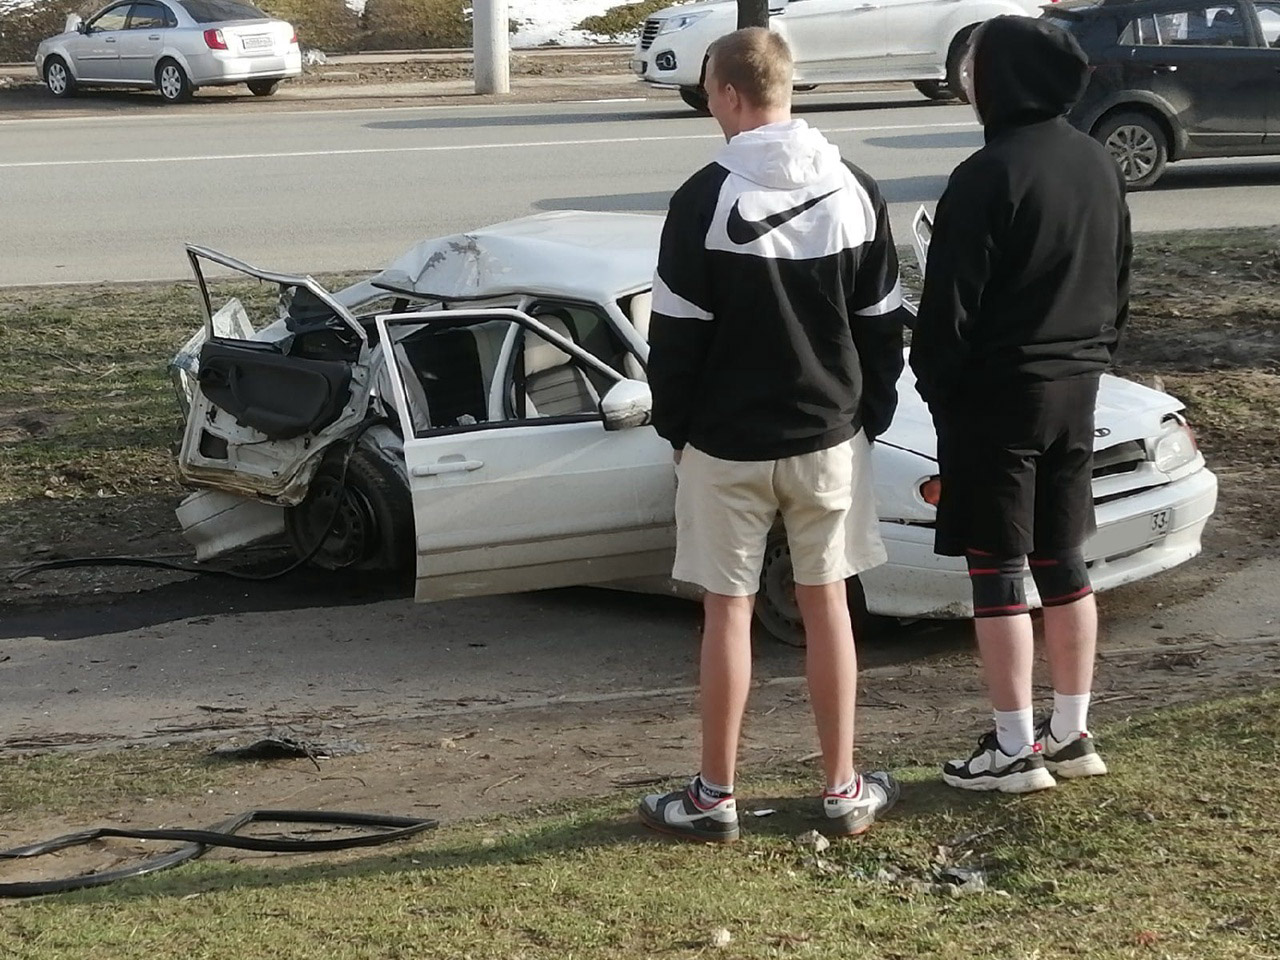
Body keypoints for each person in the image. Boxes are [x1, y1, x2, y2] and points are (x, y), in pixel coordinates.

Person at [637, 27, 909, 842]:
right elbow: (882, 325)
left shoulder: (702, 197)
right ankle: (841, 787)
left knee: (729, 613)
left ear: (725, 94)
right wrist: (869, 415)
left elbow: (674, 340)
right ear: (788, 86)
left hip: (725, 443)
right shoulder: (856, 187)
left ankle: (714, 795)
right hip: (828, 435)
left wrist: (678, 430)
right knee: (828, 606)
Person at [910, 16, 1132, 793]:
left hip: (997, 395)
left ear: (999, 79)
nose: (966, 79)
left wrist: (937, 388)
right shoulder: (1098, 163)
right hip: (1077, 385)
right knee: (1065, 560)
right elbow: (1120, 279)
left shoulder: (986, 173)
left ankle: (1012, 748)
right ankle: (1070, 732)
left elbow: (947, 315)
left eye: (973, 66)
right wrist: (1092, 358)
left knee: (997, 567)